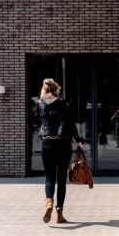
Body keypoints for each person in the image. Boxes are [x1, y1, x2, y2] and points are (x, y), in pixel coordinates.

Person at [37, 78, 82, 224]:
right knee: (61, 179)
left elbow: (38, 120)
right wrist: (78, 140)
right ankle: (59, 214)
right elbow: (70, 123)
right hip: (63, 143)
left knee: (49, 177)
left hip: (47, 143)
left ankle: (49, 202)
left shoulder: (39, 103)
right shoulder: (63, 103)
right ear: (56, 89)